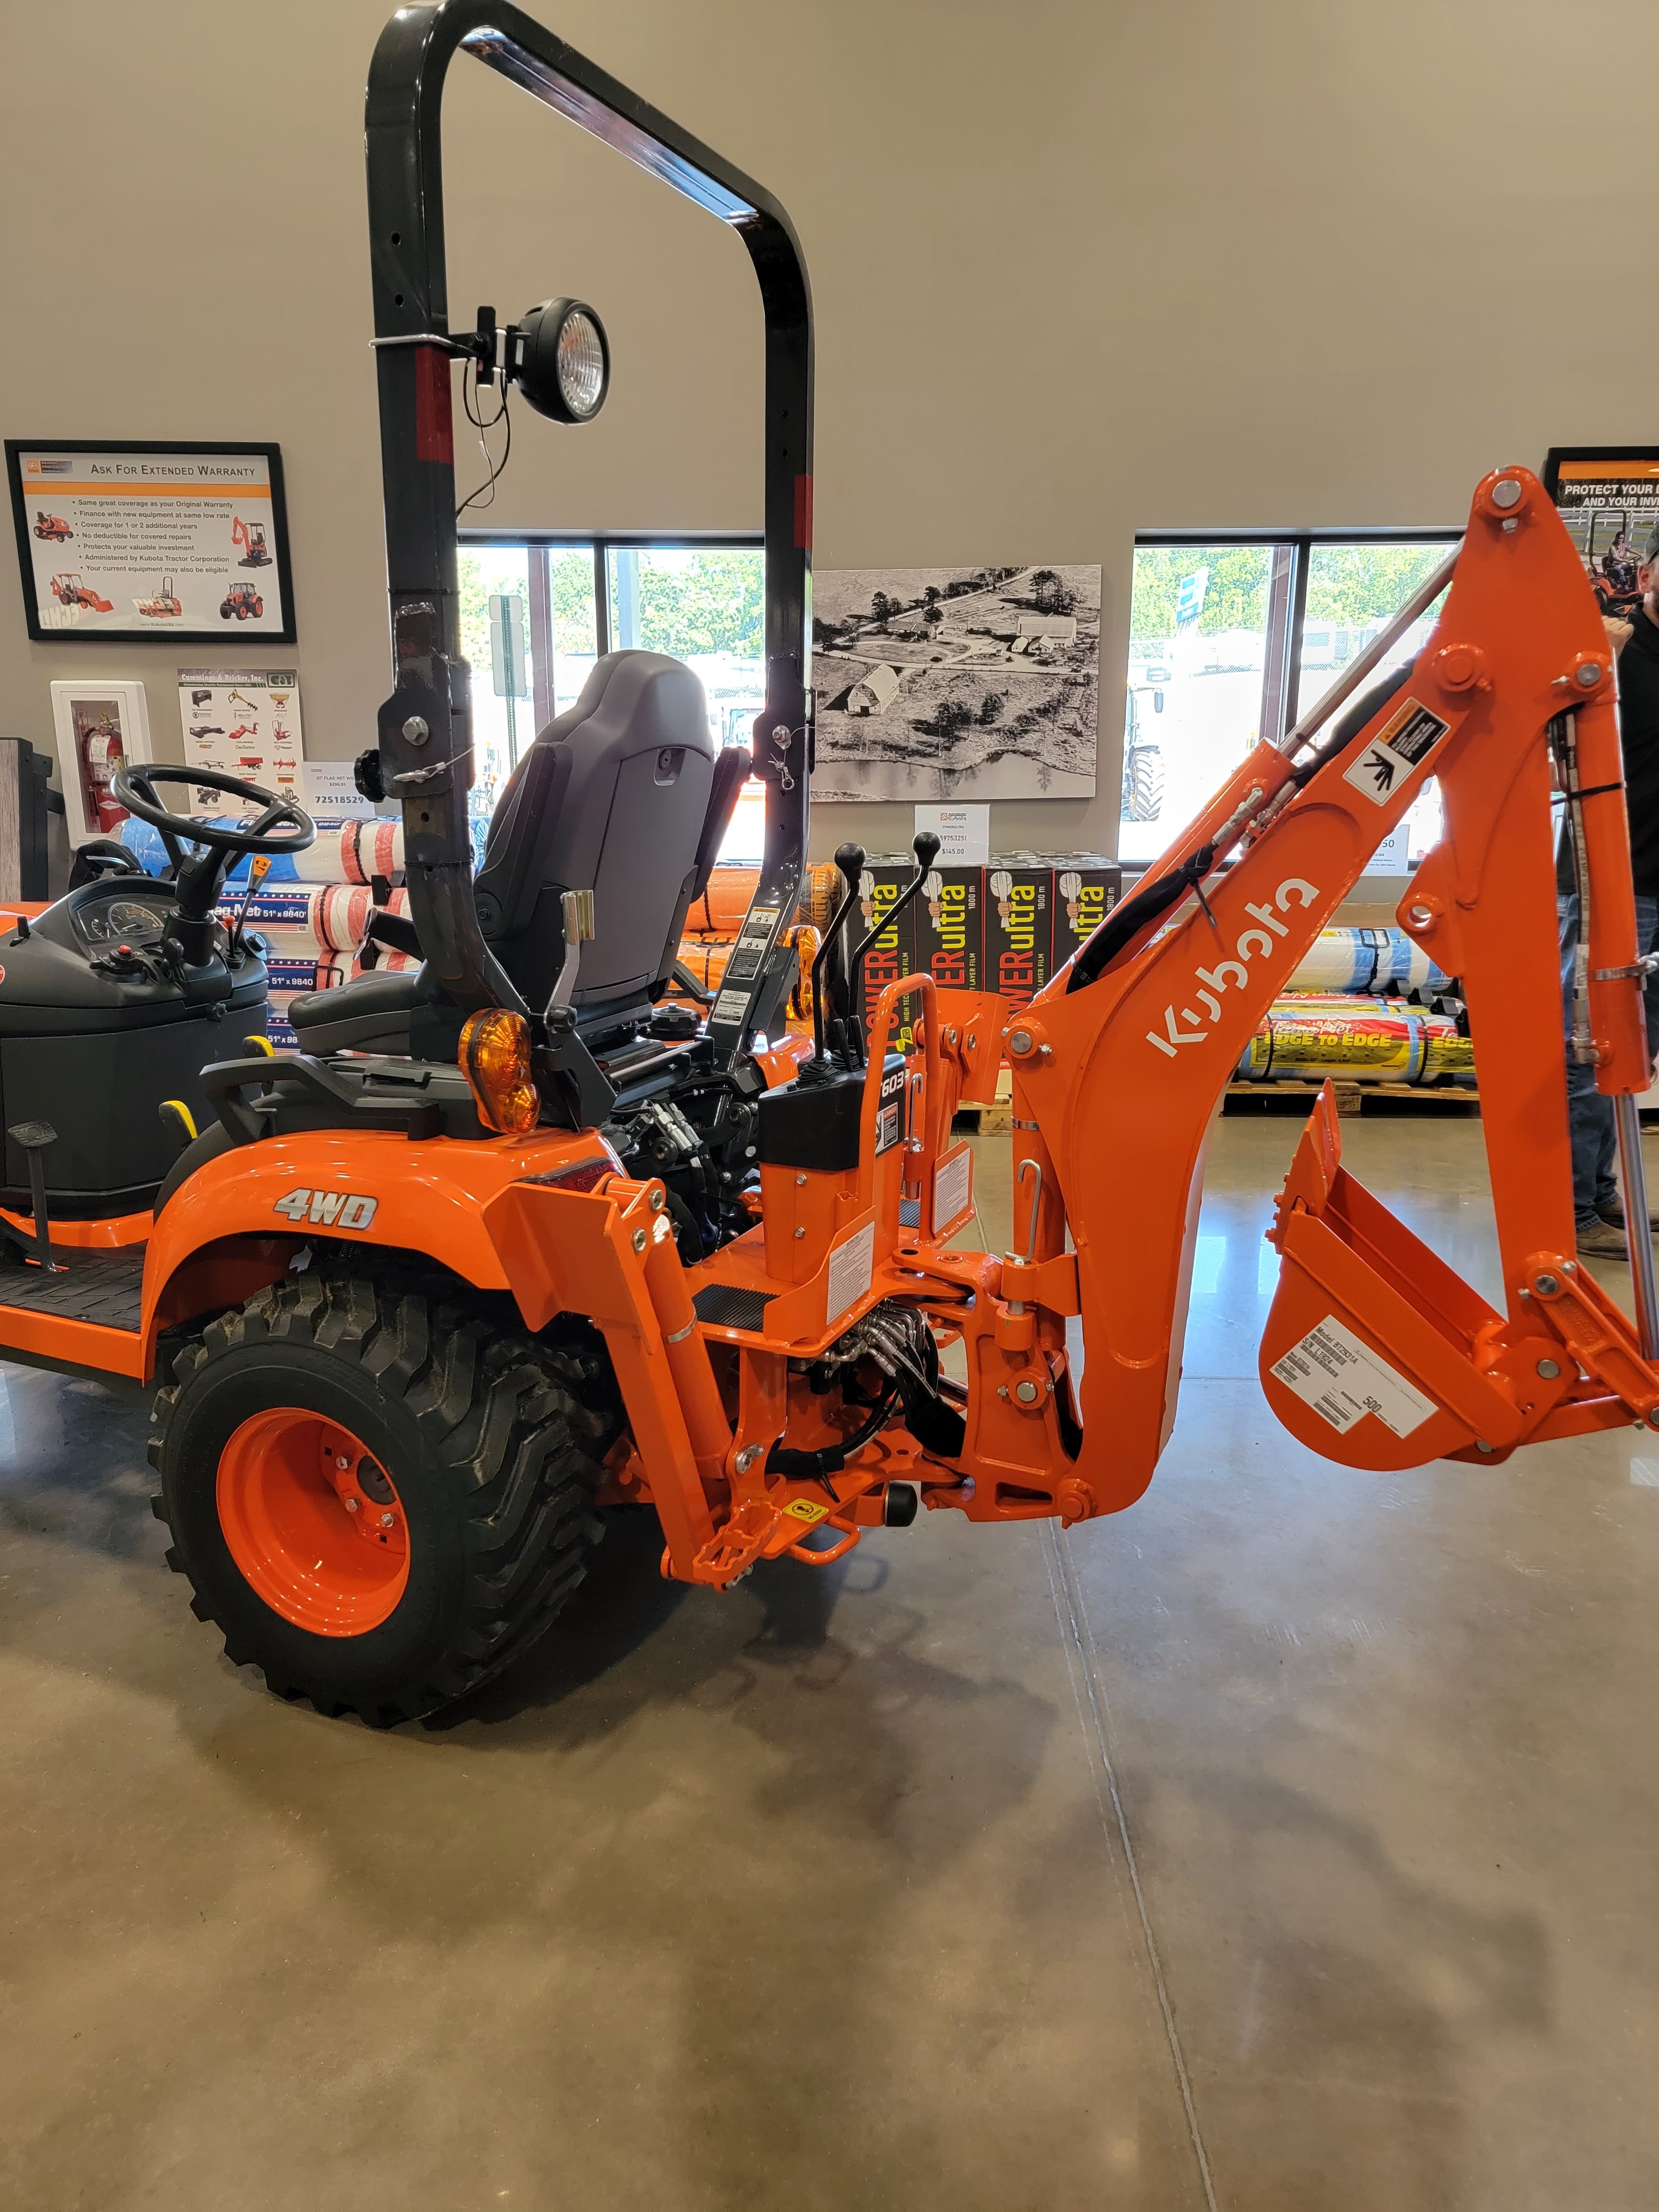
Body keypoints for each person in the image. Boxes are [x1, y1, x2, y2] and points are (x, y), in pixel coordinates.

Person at [1562, 522, 1659, 1258]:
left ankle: (1600, 1195)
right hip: (1610, 883)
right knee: (1591, 1046)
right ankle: (1571, 1207)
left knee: (1635, 1049)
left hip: (1657, 885)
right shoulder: (1613, 652)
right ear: (1649, 576)